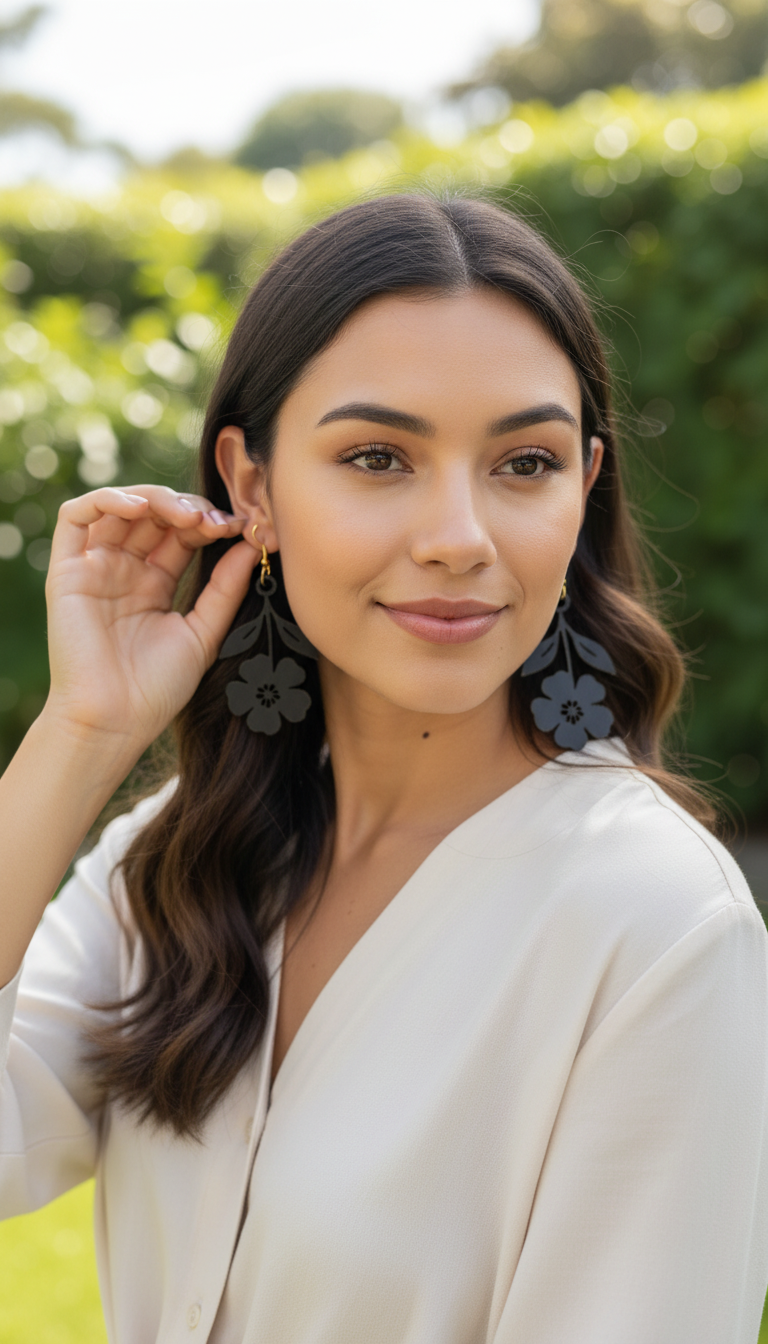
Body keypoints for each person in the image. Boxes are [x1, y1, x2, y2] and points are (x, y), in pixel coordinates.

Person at [1, 191, 767, 1344]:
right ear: (251, 486)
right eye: (377, 456)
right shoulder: (172, 857)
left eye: (524, 462)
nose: (460, 533)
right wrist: (82, 735)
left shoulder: (656, 929)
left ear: (582, 489)